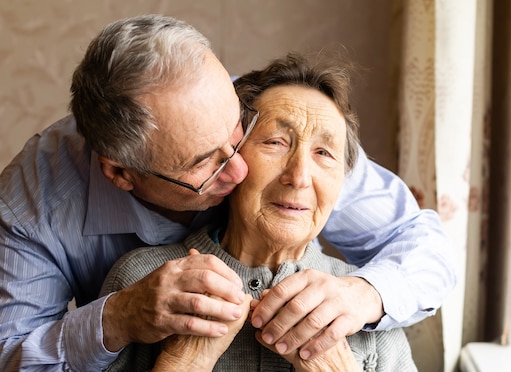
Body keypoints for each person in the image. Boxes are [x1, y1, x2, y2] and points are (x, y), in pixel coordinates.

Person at [0, 14, 455, 371]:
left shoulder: (272, 119)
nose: (240, 167)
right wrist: (120, 320)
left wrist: (365, 295)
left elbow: (424, 244)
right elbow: (10, 357)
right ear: (121, 174)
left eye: (239, 133)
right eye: (206, 162)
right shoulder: (33, 204)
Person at [101, 52, 417, 371]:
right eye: (276, 142)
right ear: (231, 158)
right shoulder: (143, 281)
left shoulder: (364, 308)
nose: (299, 177)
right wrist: (184, 361)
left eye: (324, 152)